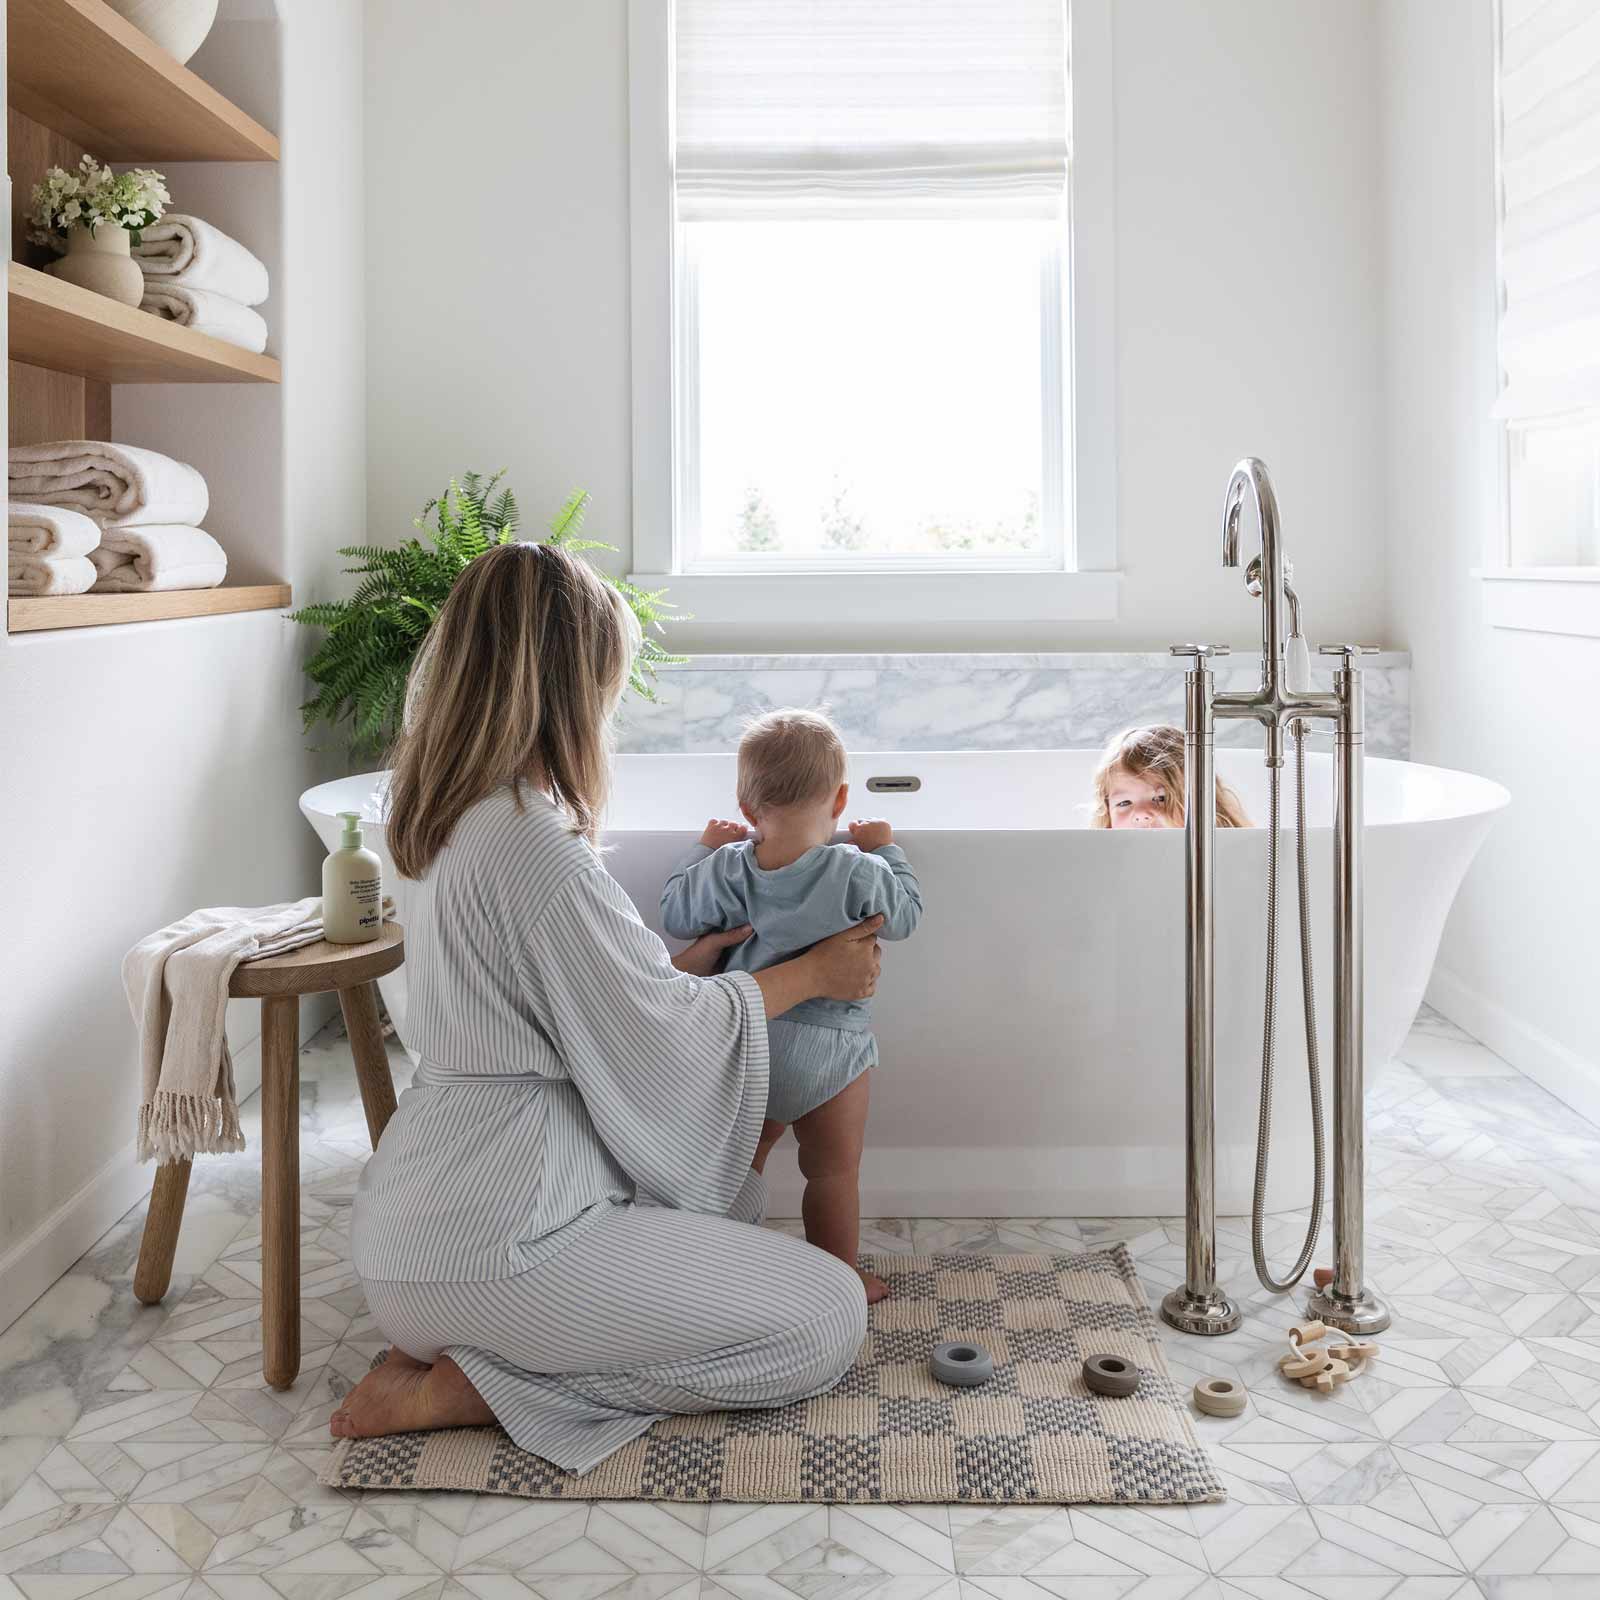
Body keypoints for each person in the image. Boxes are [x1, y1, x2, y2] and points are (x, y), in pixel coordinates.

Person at [328, 544, 877, 1475]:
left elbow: (577, 999)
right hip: (504, 1245)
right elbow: (659, 1034)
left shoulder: (436, 817)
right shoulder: (533, 841)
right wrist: (811, 975)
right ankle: (474, 1388)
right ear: (569, 685)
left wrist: (678, 965)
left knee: (730, 1223)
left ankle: (459, 1352)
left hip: (411, 1238)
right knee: (827, 1316)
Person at [660, 709, 922, 1304]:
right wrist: (889, 851)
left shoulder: (728, 867)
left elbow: (675, 912)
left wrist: (703, 847)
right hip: (833, 1051)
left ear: (748, 809)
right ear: (841, 799)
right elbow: (906, 916)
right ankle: (839, 1274)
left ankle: (723, 1263)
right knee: (831, 1172)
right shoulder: (858, 870)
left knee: (743, 1162)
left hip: (750, 1041)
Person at [1090, 724, 1251, 830]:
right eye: (1124, 802)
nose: (1141, 814)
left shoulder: (1227, 860)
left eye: (1161, 799)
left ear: (1202, 806)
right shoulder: (1102, 868)